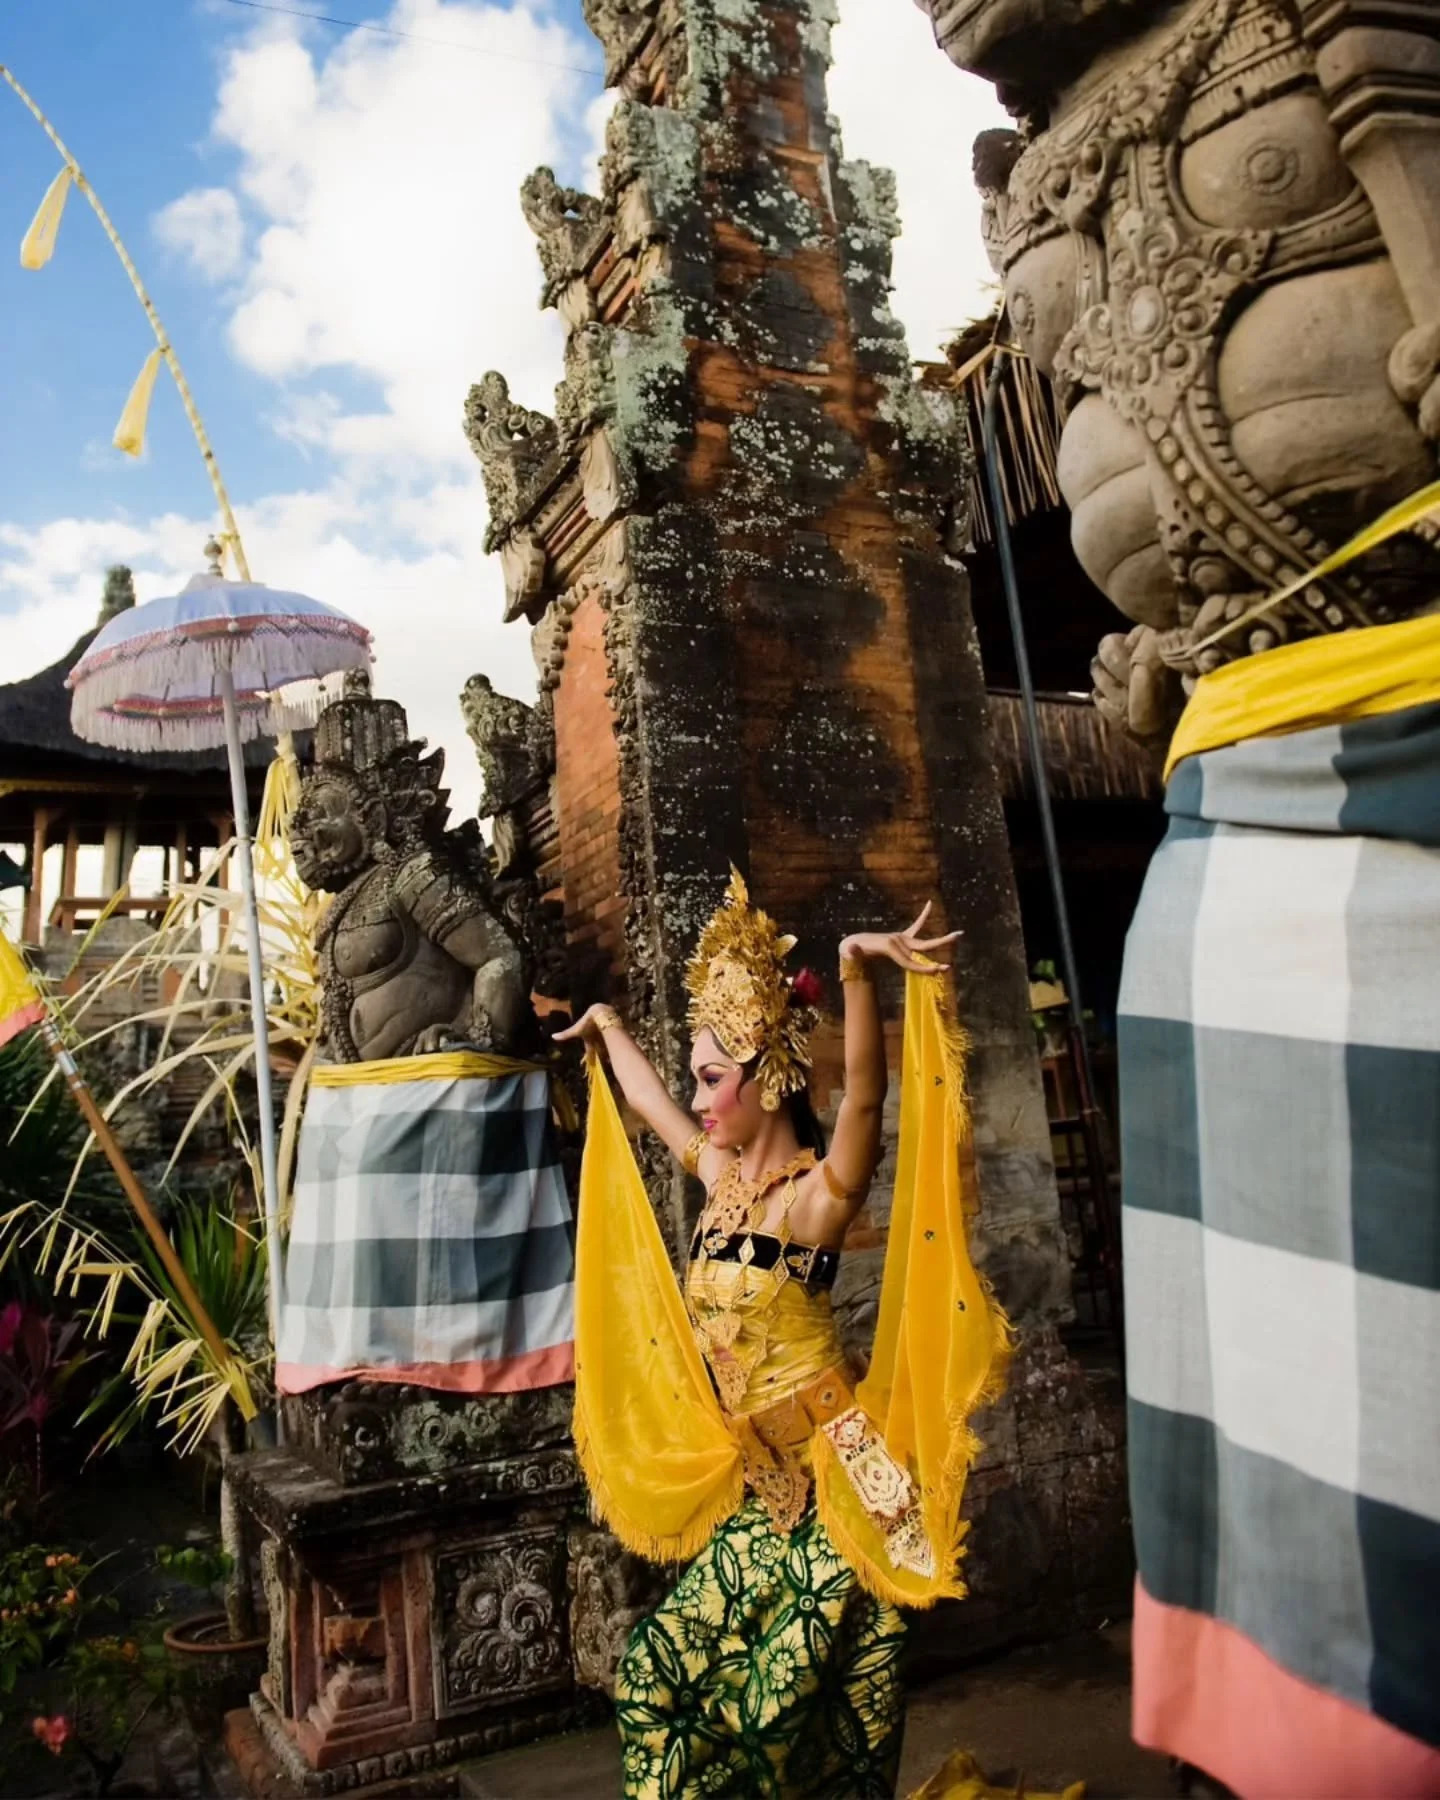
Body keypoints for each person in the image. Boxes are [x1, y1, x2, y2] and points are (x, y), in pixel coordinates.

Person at [557, 871, 1010, 1798]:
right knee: (651, 1675)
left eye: (714, 1078)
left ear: (771, 1076)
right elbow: (649, 1105)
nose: (700, 1097)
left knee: (791, 1714)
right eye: (698, 1078)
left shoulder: (809, 1204)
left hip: (850, 1478)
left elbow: (864, 1115)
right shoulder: (719, 1178)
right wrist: (605, 1025)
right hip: (765, 1492)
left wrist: (853, 971)